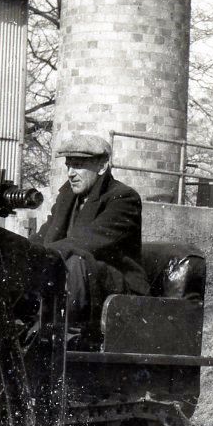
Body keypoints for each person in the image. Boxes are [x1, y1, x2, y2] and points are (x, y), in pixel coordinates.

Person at [34, 133, 149, 325]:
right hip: (77, 282)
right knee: (8, 258)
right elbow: (45, 234)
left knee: (76, 260)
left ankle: (53, 339)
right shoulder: (67, 197)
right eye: (68, 165)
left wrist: (39, 255)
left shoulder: (122, 198)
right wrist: (19, 251)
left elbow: (85, 243)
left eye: (78, 165)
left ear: (102, 166)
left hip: (116, 289)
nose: (70, 173)